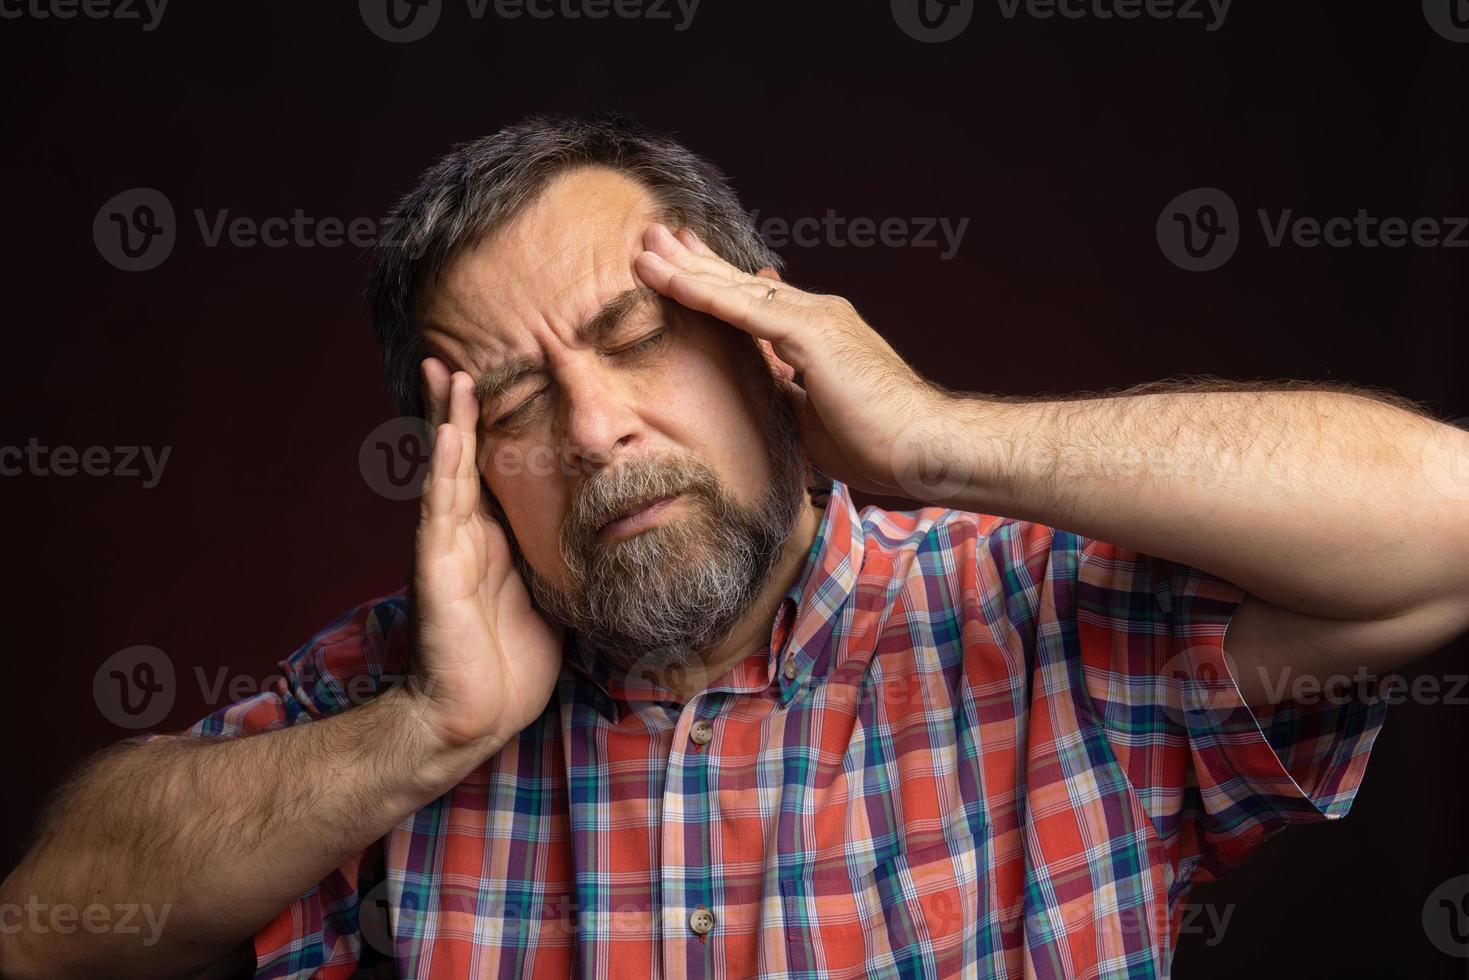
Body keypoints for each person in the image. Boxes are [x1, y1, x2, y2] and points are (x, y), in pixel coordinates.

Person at [5, 112, 1468, 980]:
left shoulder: (1035, 616)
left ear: (771, 342)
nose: (593, 430)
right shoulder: (400, 702)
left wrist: (936, 439)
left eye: (639, 340)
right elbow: (48, 922)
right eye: (514, 398)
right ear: (463, 469)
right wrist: (420, 735)